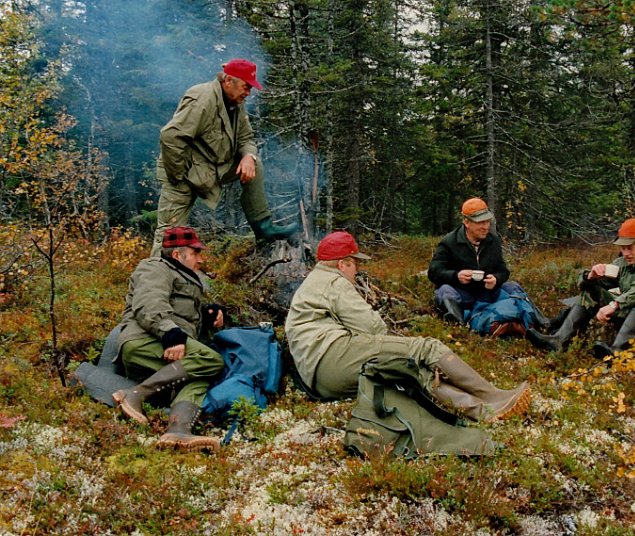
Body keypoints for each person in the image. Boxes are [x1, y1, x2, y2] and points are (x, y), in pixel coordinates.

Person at [285, 231, 531, 422]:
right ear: (343, 264)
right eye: (355, 264)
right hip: (333, 356)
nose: (357, 271)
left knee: (414, 373)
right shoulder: (334, 283)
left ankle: (483, 412)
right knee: (426, 348)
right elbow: (372, 328)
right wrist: (398, 344)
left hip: (319, 378)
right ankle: (494, 396)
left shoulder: (313, 283)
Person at [151, 58, 298, 255]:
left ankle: (263, 228)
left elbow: (246, 137)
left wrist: (248, 157)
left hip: (211, 169)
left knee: (255, 163)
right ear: (228, 80)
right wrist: (178, 176)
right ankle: (154, 280)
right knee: (169, 235)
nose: (248, 93)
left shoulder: (235, 103)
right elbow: (170, 136)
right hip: (182, 175)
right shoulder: (202, 99)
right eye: (246, 87)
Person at [113, 226, 225, 452]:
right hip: (144, 341)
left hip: (165, 345)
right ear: (177, 255)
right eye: (195, 253)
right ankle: (134, 395)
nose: (201, 259)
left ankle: (179, 431)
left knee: (200, 377)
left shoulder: (183, 276)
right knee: (213, 361)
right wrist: (170, 334)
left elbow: (180, 315)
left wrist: (207, 314)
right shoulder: (155, 267)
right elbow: (149, 305)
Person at [525, 218, 635, 358]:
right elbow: (589, 286)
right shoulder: (624, 263)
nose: (625, 253)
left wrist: (615, 304)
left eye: (630, 247)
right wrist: (591, 276)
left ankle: (618, 351)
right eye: (622, 248)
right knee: (592, 292)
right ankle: (559, 340)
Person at [428, 197, 541, 326]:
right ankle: (459, 325)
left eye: (487, 222)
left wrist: (496, 279)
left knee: (513, 286)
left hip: (488, 293)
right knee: (444, 291)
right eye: (480, 223)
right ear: (466, 222)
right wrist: (456, 276)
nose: (485, 227)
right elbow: (434, 272)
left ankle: (540, 322)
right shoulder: (449, 242)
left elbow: (503, 270)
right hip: (463, 295)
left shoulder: (493, 241)